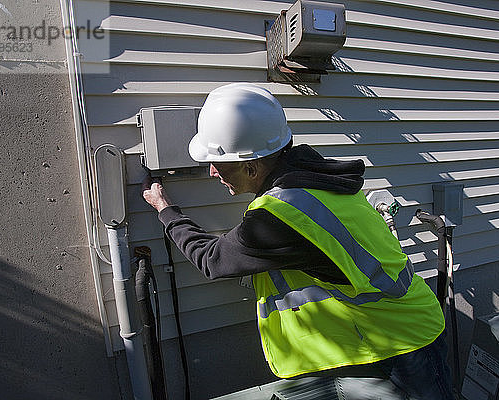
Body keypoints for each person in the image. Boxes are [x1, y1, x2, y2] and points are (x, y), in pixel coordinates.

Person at [142, 83, 453, 399]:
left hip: (400, 347)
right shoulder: (318, 182)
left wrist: (166, 210)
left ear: (251, 167)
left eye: (219, 163)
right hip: (391, 333)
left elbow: (212, 259)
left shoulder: (282, 215)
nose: (211, 172)